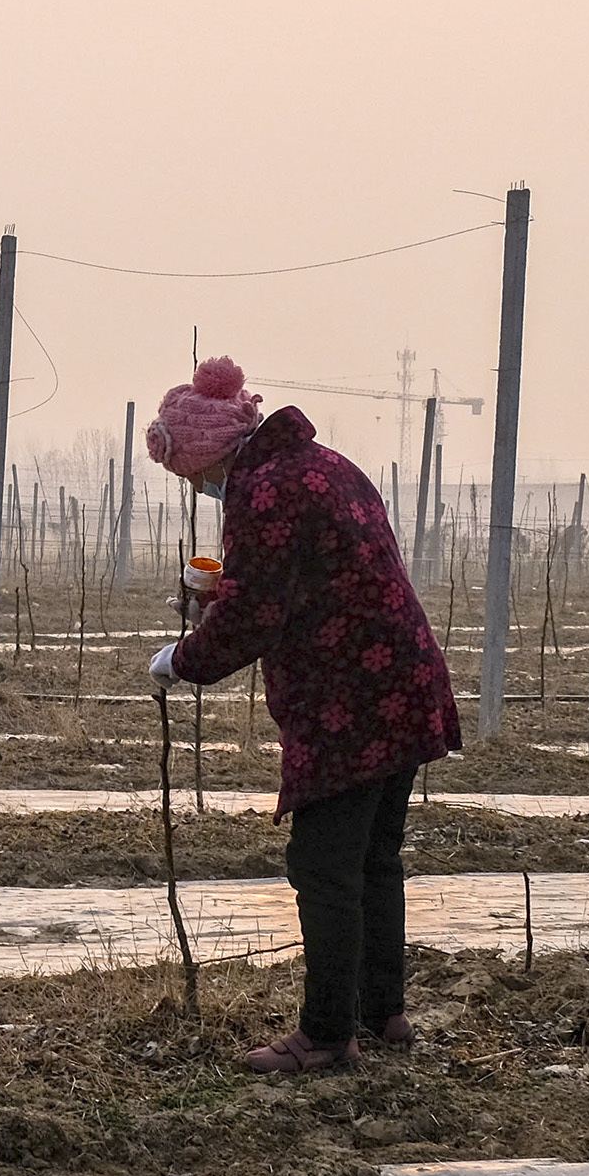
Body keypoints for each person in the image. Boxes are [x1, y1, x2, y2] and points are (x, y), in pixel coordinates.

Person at [143, 356, 462, 1074]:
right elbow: (304, 580)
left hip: (348, 694)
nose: (197, 490)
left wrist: (183, 656)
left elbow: (258, 615)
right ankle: (383, 1013)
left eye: (190, 477)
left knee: (321, 866)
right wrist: (222, 602)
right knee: (374, 858)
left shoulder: (262, 491)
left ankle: (325, 1035)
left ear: (205, 454)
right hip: (400, 677)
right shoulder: (323, 464)